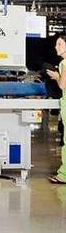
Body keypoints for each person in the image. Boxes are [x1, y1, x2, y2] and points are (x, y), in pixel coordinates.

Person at [46, 34, 66, 185]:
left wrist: (56, 76)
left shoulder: (65, 63)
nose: (56, 47)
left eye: (59, 44)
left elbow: (62, 85)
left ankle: (64, 175)